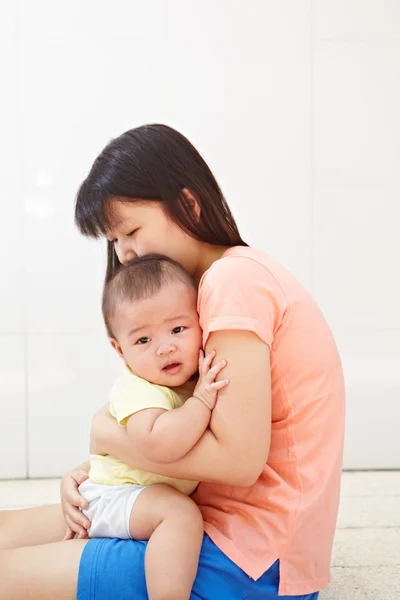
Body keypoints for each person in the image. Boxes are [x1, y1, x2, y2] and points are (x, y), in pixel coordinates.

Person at [0, 124, 345, 600]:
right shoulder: (215, 285)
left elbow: (240, 461)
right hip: (206, 521)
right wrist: (100, 471)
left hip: (244, 559)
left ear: (187, 205)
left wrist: (109, 436)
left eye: (132, 231)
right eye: (114, 241)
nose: (125, 255)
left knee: (7, 572)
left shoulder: (233, 282)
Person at [75, 254, 228, 600]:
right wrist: (202, 402)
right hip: (114, 495)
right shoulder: (138, 390)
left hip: (136, 490)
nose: (165, 347)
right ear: (120, 350)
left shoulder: (184, 381)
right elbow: (159, 444)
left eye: (178, 329)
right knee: (180, 515)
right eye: (143, 341)